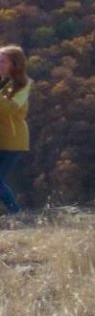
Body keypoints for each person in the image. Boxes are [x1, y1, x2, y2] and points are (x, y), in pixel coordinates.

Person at [0, 46, 32, 217]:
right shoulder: (3, 83)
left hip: (13, 141)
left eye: (2, 61)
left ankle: (16, 213)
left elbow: (10, 109)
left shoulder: (24, 86)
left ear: (14, 64)